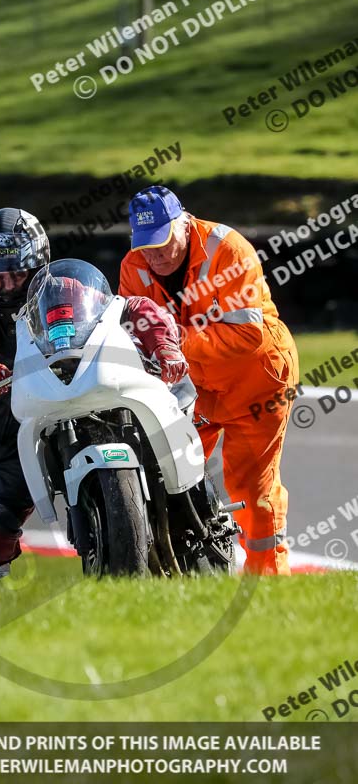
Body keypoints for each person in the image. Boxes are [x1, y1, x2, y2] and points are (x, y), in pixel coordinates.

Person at [0, 206, 189, 588]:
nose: (6, 285)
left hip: (45, 412)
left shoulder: (64, 289)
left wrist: (163, 344)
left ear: (37, 265)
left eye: (17, 274)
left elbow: (128, 308)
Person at [119, 185, 299, 575]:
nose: (157, 255)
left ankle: (269, 580)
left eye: (164, 242)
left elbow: (248, 336)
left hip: (256, 379)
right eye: (146, 246)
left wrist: (176, 338)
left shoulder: (228, 250)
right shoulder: (133, 267)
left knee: (251, 488)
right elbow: (132, 333)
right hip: (193, 387)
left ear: (184, 223)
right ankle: (185, 569)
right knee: (168, 471)